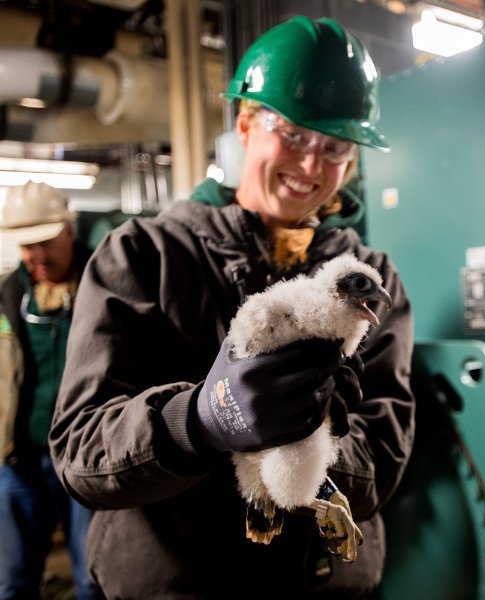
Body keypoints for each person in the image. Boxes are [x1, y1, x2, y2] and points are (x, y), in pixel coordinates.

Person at [49, 15, 415, 600]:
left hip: (323, 585)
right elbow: (81, 453)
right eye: (292, 135)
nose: (311, 166)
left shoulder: (370, 279)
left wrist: (320, 439)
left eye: (335, 148)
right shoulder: (142, 257)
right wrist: (198, 421)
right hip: (180, 584)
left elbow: (384, 460)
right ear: (246, 124)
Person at [0, 181, 103, 600]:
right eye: (26, 247)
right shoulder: (8, 295)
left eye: (44, 242)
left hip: (85, 458)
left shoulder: (106, 284)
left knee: (92, 580)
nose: (35, 256)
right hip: (19, 459)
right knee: (11, 582)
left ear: (68, 229)